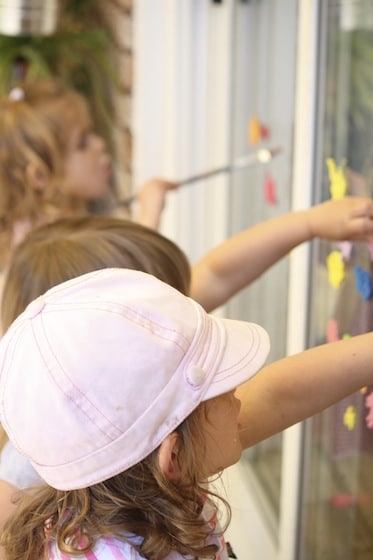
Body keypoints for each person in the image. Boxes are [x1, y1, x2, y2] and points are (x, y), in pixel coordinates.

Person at [0, 201, 373, 539]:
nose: (241, 391)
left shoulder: (132, 478)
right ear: (172, 456)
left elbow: (278, 394)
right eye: (219, 388)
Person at [0, 78, 177, 271]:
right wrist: (149, 214)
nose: (99, 144)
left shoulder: (50, 223)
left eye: (91, 133)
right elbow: (125, 279)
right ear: (41, 176)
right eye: (82, 143)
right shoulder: (46, 245)